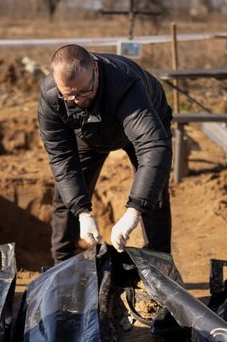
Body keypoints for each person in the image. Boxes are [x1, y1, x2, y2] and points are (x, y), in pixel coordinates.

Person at [37, 44, 173, 263]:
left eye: (84, 92)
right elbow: (61, 158)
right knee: (66, 195)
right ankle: (62, 264)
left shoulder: (125, 84)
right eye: (69, 96)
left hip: (145, 120)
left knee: (154, 190)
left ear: (96, 71)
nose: (78, 101)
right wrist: (82, 212)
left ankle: (159, 263)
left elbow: (153, 147)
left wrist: (134, 211)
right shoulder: (51, 96)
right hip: (89, 131)